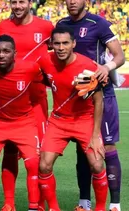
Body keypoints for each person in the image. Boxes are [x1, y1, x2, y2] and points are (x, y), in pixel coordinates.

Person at [57, 1, 125, 210]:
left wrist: (107, 67)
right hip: (77, 97)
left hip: (102, 94)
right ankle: (84, 202)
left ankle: (114, 205)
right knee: (82, 149)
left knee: (108, 146)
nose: (72, 2)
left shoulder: (98, 23)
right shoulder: (61, 24)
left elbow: (119, 55)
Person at [37, 26, 108, 211]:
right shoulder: (45, 60)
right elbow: (42, 78)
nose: (61, 47)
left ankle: (100, 208)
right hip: (58, 121)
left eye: (65, 43)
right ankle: (53, 208)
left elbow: (99, 101)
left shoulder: (88, 67)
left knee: (97, 164)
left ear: (74, 44)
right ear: (51, 44)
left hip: (84, 119)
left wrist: (94, 135)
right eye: (57, 43)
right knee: (44, 165)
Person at [0, 1, 53, 208]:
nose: (17, 5)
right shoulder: (2, 27)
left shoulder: (46, 27)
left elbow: (57, 54)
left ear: (30, 3)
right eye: (14, 2)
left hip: (36, 101)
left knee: (37, 156)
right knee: (9, 151)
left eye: (22, 1)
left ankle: (37, 203)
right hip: (10, 102)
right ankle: (9, 203)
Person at [0, 34, 41, 211]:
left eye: (6, 51)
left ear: (15, 53)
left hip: (24, 122)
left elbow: (47, 80)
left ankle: (33, 207)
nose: (1, 55)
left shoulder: (30, 68)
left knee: (32, 164)